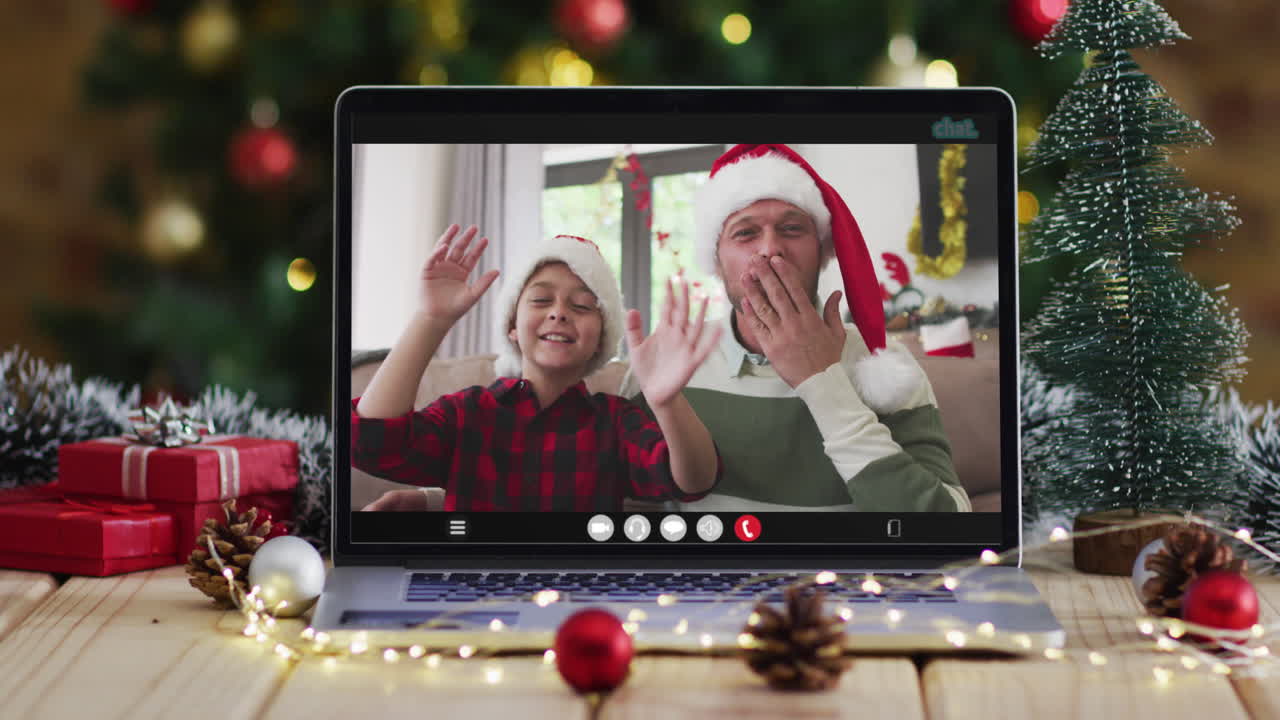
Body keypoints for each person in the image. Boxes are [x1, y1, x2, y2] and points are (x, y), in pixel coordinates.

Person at [621, 144, 970, 512]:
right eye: (745, 233)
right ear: (716, 260)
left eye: (792, 229)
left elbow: (950, 526)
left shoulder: (885, 367)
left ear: (822, 254)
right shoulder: (665, 362)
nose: (771, 250)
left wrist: (824, 384)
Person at [353, 224, 723, 511]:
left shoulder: (616, 422)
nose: (559, 311)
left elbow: (692, 481)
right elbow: (373, 443)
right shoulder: (469, 413)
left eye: (581, 306)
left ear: (601, 338)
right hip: (476, 589)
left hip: (581, 590)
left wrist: (667, 400)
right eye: (542, 299)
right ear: (512, 327)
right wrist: (431, 319)